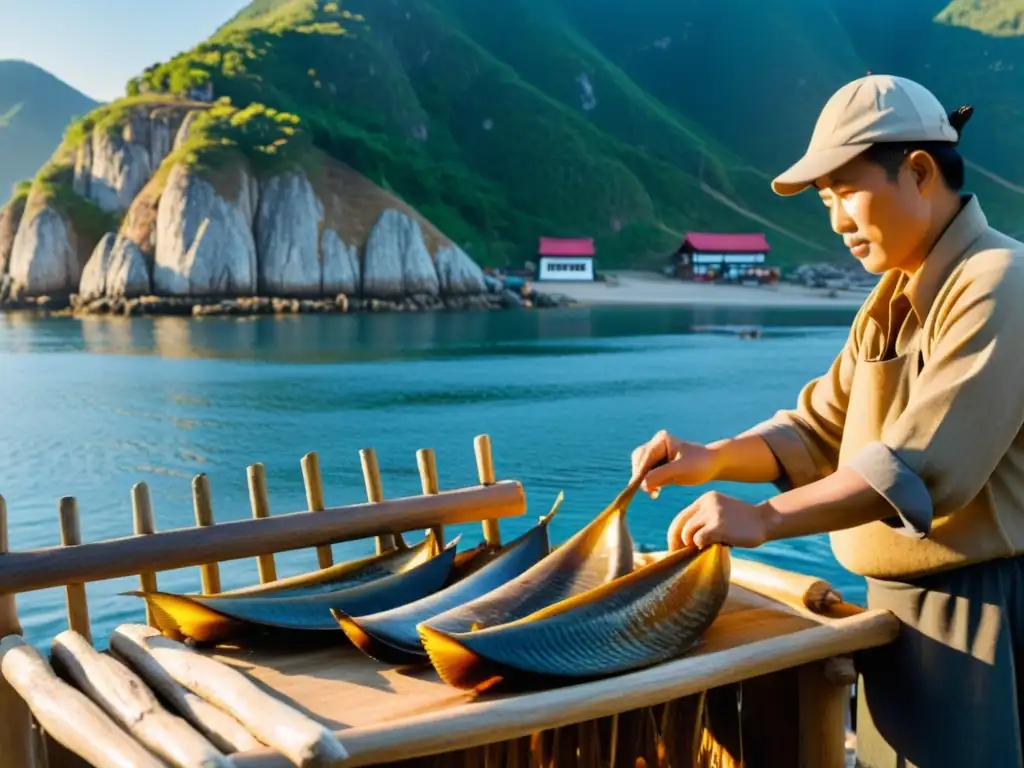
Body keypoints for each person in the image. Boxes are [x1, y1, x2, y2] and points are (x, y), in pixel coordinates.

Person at [630, 74, 1024, 768]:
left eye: (847, 190)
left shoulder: (998, 280)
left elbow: (924, 467)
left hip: (980, 620)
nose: (837, 218)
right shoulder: (891, 298)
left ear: (921, 172)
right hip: (892, 618)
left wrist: (768, 519)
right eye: (825, 199)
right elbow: (819, 429)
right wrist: (713, 457)